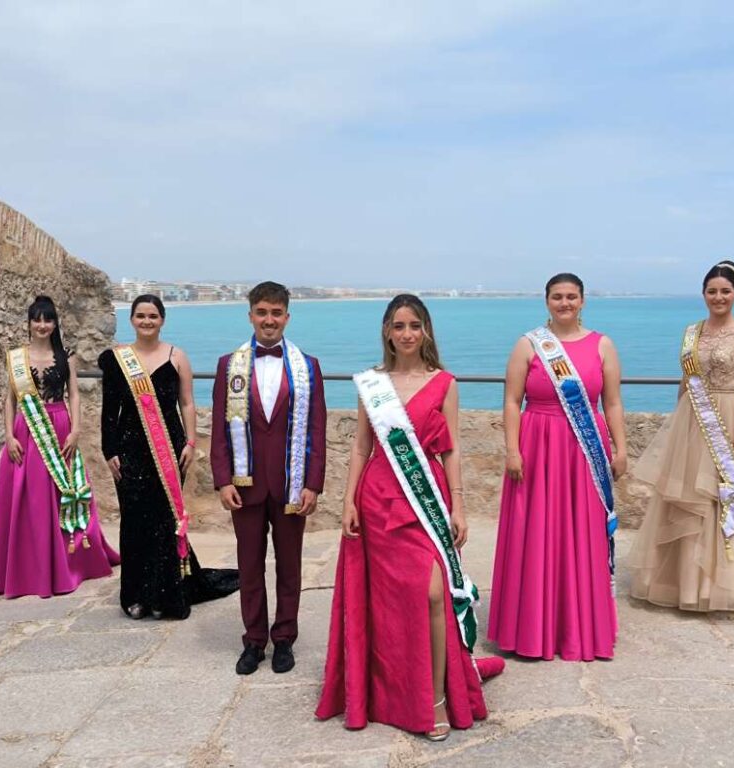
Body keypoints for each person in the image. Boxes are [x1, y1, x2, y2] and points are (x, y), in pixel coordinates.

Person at [315, 294, 503, 742]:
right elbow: (361, 446)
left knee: (434, 593)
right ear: (387, 331)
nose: (406, 334)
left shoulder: (445, 383)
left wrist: (459, 504)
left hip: (426, 499)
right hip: (378, 498)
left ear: (426, 330)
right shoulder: (372, 384)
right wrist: (348, 501)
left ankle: (434, 698)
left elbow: (451, 449)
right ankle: (391, 693)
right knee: (388, 602)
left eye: (414, 325)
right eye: (398, 326)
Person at [628, 262, 734, 614]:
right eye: (712, 291)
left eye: (725, 291)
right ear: (703, 294)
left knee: (727, 494)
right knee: (690, 497)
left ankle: (733, 583)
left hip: (730, 416)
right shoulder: (691, 333)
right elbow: (685, 380)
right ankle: (686, 583)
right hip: (693, 419)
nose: (718, 297)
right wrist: (678, 421)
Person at [488, 273, 627, 661]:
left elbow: (613, 402)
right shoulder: (528, 344)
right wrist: (512, 450)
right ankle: (532, 629)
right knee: (535, 531)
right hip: (537, 445)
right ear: (546, 301)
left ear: (583, 301)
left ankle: (580, 627)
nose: (565, 303)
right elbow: (512, 401)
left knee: (583, 532)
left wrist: (621, 447)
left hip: (585, 449)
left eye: (571, 296)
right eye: (557, 297)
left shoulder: (602, 345)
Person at [210, 281, 327, 675]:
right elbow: (219, 427)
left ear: (287, 317)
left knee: (290, 567)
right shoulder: (229, 365)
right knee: (249, 567)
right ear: (250, 316)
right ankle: (254, 640)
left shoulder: (308, 367)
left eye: (276, 313)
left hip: (291, 483)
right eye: (262, 312)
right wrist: (223, 479)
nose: (269, 320)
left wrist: (312, 484)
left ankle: (284, 638)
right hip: (245, 485)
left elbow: (317, 429)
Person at [99, 294, 238, 620]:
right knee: (134, 521)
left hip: (169, 449)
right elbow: (109, 410)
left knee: (165, 521)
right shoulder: (117, 359)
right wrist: (109, 450)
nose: (146, 321)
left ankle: (164, 596)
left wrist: (190, 442)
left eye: (153, 316)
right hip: (129, 451)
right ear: (132, 320)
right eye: (141, 316)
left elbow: (187, 402)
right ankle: (135, 595)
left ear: (162, 320)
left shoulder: (177, 356)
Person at [0, 296, 119, 598]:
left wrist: (76, 430)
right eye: (37, 320)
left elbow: (75, 395)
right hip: (26, 430)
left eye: (48, 320)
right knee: (27, 497)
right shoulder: (16, 358)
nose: (42, 325)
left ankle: (66, 563)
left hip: (59, 426)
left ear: (55, 324)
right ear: (29, 323)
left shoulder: (66, 356)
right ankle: (26, 568)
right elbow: (10, 399)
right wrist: (9, 436)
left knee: (61, 493)